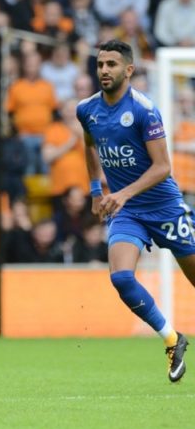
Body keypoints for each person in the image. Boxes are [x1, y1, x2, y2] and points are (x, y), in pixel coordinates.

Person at [77, 40, 194, 383]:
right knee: (121, 278)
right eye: (100, 65)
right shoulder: (86, 109)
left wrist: (123, 193)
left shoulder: (144, 110)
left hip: (165, 208)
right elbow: (89, 146)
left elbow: (163, 167)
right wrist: (96, 191)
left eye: (112, 64)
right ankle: (172, 339)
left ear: (128, 70)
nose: (104, 70)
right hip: (128, 212)